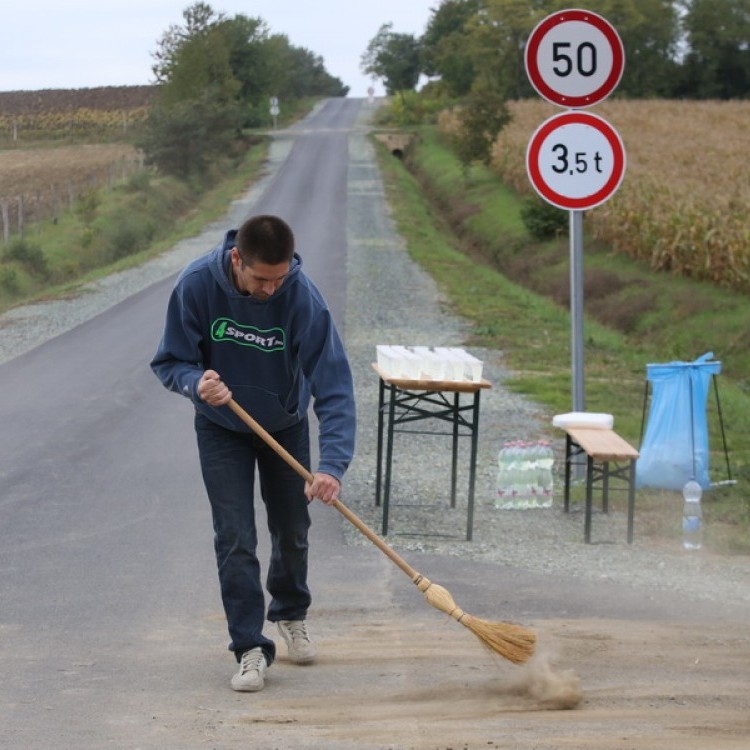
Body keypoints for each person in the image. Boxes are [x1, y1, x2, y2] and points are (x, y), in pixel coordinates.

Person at [150, 214, 356, 692]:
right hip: (223, 427)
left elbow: (334, 386)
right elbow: (171, 361)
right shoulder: (197, 285)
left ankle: (290, 611)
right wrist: (194, 383)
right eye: (262, 279)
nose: (270, 289)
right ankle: (248, 647)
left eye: (279, 278)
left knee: (293, 530)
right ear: (236, 259)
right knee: (235, 537)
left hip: (284, 426)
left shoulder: (300, 296)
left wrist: (331, 466)